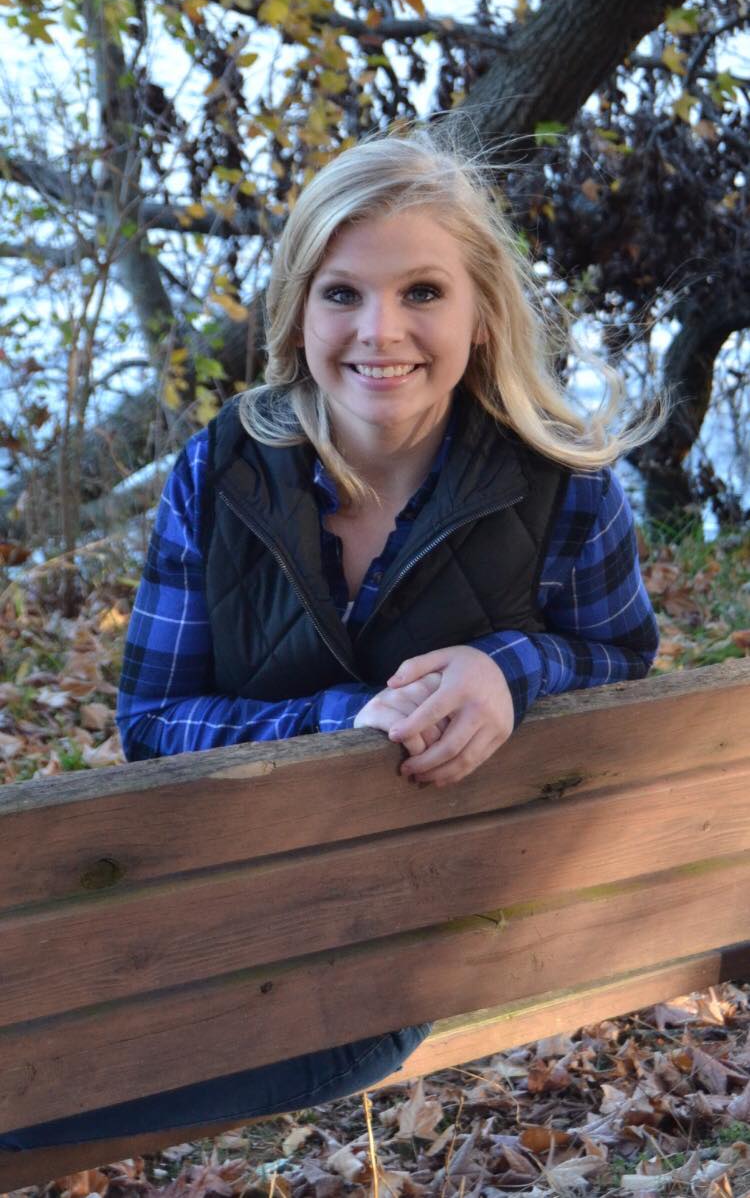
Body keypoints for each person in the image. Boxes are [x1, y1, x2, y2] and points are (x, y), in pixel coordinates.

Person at [0, 128, 660, 1152]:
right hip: (221, 894)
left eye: (423, 291)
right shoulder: (220, 470)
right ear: (299, 311)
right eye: (342, 292)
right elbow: (155, 720)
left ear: (483, 313)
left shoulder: (563, 482)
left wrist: (508, 667)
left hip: (405, 941)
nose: (379, 330)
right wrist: (348, 724)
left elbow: (618, 659)